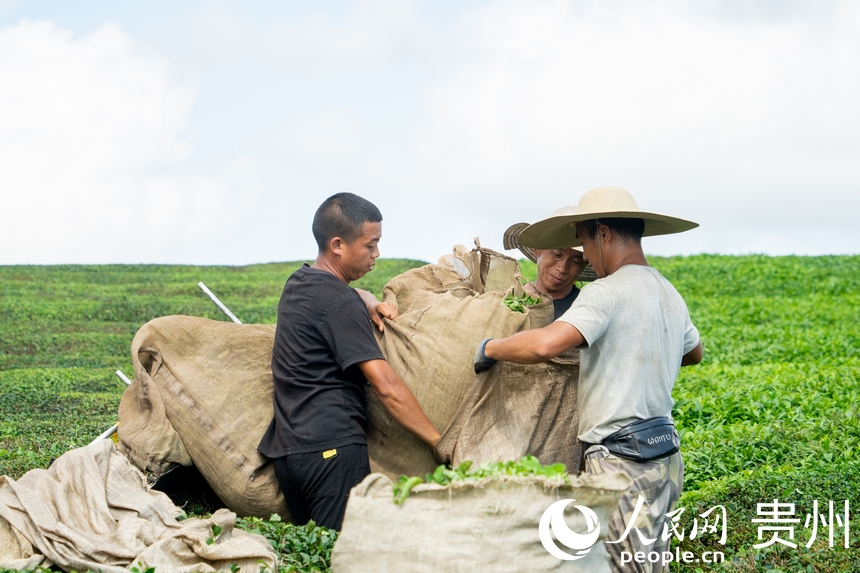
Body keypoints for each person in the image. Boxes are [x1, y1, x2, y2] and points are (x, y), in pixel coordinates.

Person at [476, 186, 703, 573]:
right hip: (666, 457)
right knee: (648, 561)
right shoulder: (668, 291)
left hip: (621, 460)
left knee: (620, 566)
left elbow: (545, 345)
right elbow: (694, 353)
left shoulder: (606, 292)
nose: (584, 259)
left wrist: (491, 348)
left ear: (602, 234)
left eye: (582, 241)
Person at [258, 192, 440, 530]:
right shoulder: (340, 303)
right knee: (347, 557)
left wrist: (370, 303)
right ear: (338, 245)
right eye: (370, 245)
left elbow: (349, 294)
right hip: (333, 452)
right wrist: (438, 442)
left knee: (317, 555)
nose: (377, 254)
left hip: (290, 457)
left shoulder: (299, 284)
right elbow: (387, 387)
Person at [504, 206, 598, 319]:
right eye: (557, 254)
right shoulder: (508, 296)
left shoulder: (581, 310)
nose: (562, 268)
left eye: (576, 261)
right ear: (537, 249)